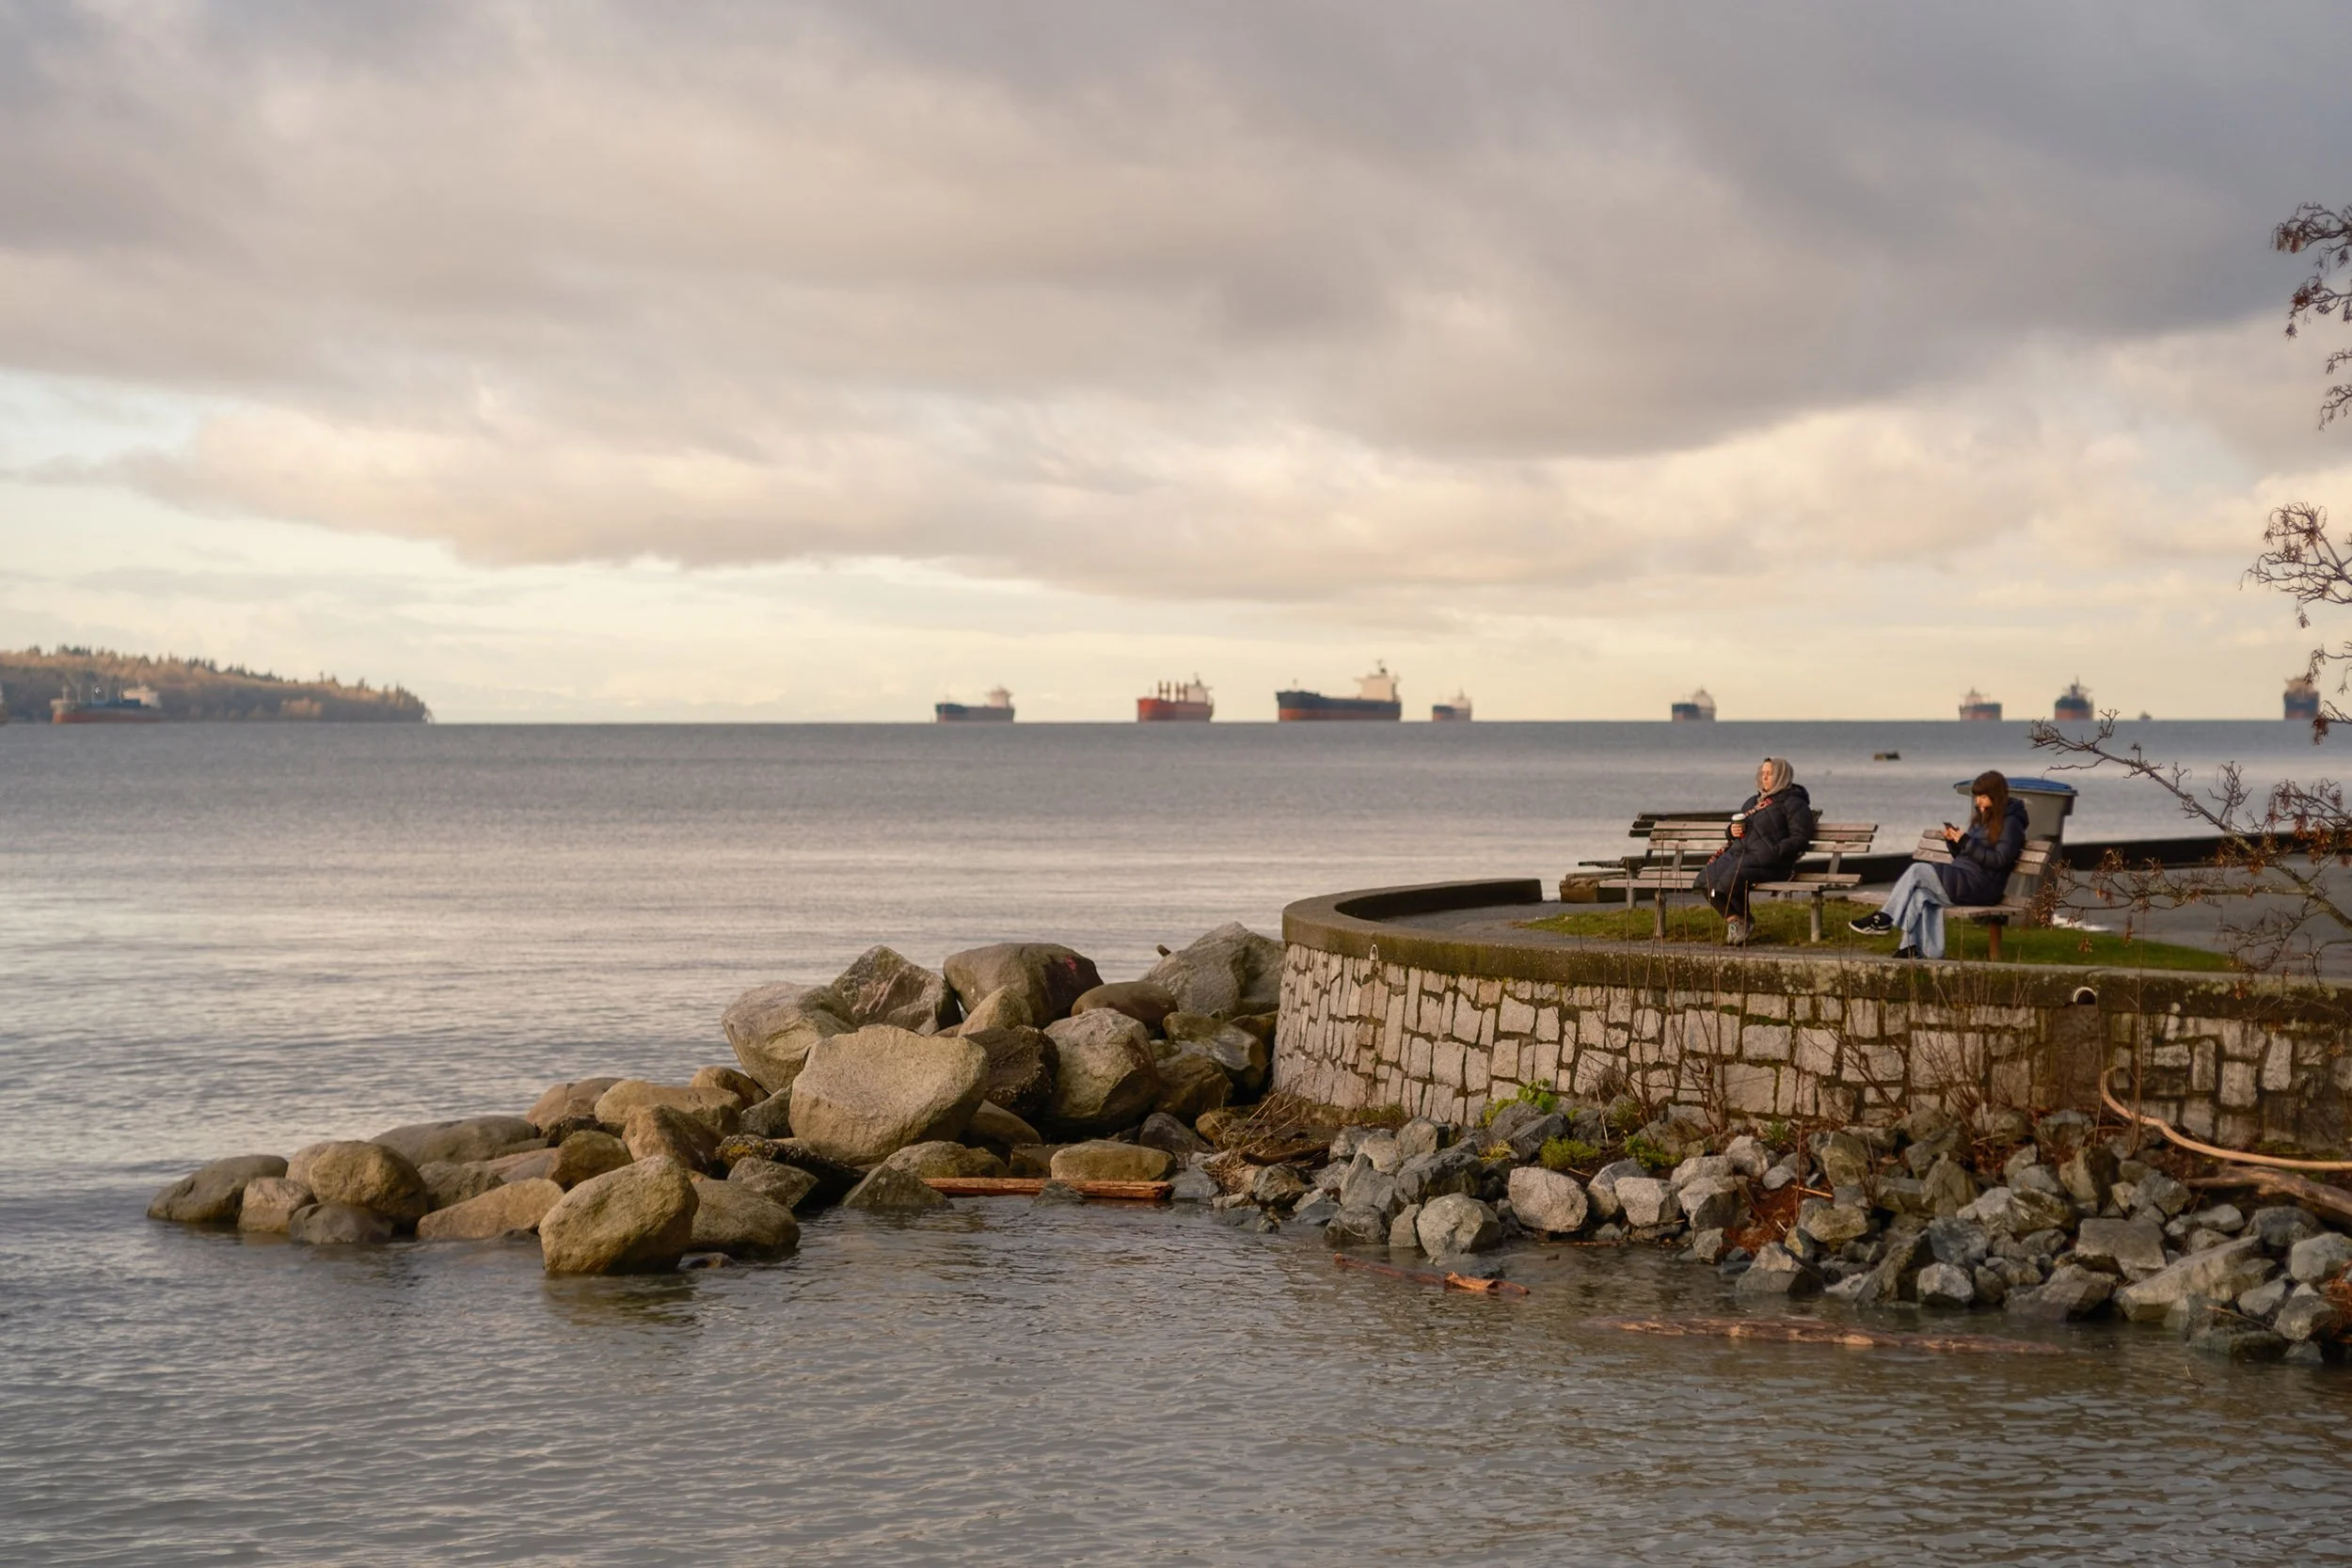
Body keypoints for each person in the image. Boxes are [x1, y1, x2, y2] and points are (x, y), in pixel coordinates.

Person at [1850, 769, 2030, 958]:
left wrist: (1967, 842)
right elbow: (1966, 856)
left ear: (1997, 796)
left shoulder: (2011, 824)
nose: (1978, 802)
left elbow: (2000, 860)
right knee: (1920, 895)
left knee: (1918, 870)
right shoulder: (1983, 819)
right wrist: (1954, 842)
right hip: (1966, 877)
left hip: (1982, 886)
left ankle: (1885, 918)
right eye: (1976, 797)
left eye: (1983, 797)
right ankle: (1914, 950)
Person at [1698, 757, 1813, 946]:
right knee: (1705, 881)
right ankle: (1736, 920)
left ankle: (1744, 922)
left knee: (1731, 879)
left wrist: (1774, 851)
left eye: (1770, 773)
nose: (1765, 777)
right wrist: (1731, 831)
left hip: (1774, 862)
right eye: (1763, 773)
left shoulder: (1794, 802)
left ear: (1782, 776)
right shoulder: (1752, 802)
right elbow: (1740, 830)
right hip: (1742, 855)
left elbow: (1799, 838)